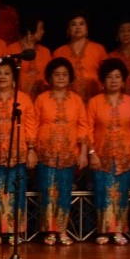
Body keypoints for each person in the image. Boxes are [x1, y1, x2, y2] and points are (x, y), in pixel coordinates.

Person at [86, 58, 130, 246]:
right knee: (103, 192)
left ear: (124, 81)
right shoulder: (94, 102)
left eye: (117, 77)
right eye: (109, 77)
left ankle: (119, 230)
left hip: (124, 155)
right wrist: (92, 152)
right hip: (101, 155)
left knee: (120, 193)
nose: (113, 80)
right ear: (103, 81)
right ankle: (103, 230)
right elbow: (88, 129)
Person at [32, 58, 90, 246]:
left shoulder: (76, 100)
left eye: (64, 74)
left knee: (64, 191)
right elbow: (33, 124)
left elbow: (83, 126)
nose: (61, 78)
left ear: (70, 77)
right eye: (57, 74)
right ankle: (49, 231)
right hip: (46, 153)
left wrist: (83, 153)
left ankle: (62, 230)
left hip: (68, 153)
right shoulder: (41, 99)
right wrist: (31, 149)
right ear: (50, 77)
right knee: (47, 191)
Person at [0, 57, 37, 246]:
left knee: (16, 192)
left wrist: (31, 149)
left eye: (6, 73)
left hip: (18, 153)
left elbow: (30, 126)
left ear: (14, 77)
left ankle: (15, 231)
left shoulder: (23, 99)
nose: (2, 77)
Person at [53, 12, 107, 101]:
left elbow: (106, 75)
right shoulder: (59, 52)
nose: (78, 27)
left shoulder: (98, 49)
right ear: (68, 30)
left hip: (95, 98)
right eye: (73, 24)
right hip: (68, 100)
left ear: (87, 29)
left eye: (81, 24)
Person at [9, 15, 51, 101]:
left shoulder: (45, 52)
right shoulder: (11, 49)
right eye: (40, 28)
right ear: (29, 31)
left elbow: (50, 76)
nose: (43, 32)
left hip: (41, 99)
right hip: (17, 98)